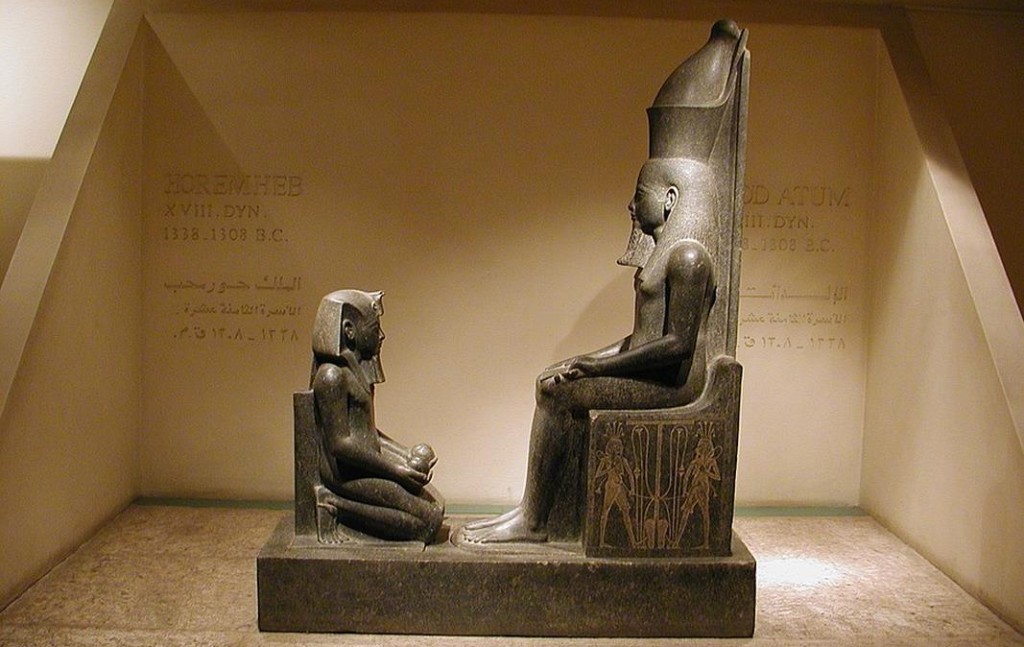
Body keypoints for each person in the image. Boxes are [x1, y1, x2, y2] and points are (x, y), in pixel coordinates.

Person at [461, 158, 718, 544]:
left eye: (639, 195)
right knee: (552, 377)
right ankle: (532, 509)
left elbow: (676, 346)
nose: (631, 205)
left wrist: (599, 368)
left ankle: (534, 521)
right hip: (655, 374)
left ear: (669, 199)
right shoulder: (664, 254)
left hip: (675, 385)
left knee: (557, 394)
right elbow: (640, 338)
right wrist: (589, 361)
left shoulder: (688, 257)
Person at [309, 290, 443, 544]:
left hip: (364, 463)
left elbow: (368, 433)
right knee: (428, 522)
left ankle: (341, 506)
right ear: (349, 331)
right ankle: (334, 505)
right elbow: (340, 445)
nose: (381, 336)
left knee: (438, 505)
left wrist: (404, 454)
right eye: (374, 328)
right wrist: (395, 470)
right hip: (345, 474)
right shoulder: (331, 377)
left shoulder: (357, 374)